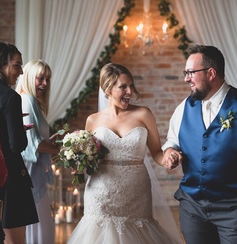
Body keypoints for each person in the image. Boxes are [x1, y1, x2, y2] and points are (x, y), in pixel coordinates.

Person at [162, 45, 237, 244]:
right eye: (185, 73)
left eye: (191, 73)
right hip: (193, 207)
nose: (186, 78)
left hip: (235, 209)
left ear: (211, 73)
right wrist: (171, 151)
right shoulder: (184, 107)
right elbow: (172, 140)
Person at [68, 63, 182, 244]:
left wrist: (169, 159)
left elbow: (157, 154)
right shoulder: (93, 120)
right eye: (123, 87)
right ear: (107, 88)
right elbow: (87, 159)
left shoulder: (144, 114)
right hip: (100, 192)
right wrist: (76, 164)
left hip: (136, 192)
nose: (130, 91)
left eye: (131, 85)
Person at [0, 42, 39, 243]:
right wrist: (19, 130)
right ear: (1, 65)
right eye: (16, 65)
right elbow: (17, 145)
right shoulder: (10, 97)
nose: (21, 71)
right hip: (10, 179)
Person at [16, 59, 59, 244]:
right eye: (40, 78)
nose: (44, 84)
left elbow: (37, 140)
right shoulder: (27, 100)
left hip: (35, 174)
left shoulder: (32, 102)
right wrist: (60, 149)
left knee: (43, 227)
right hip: (30, 174)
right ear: (29, 77)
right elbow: (32, 145)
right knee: (40, 230)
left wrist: (52, 141)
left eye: (47, 79)